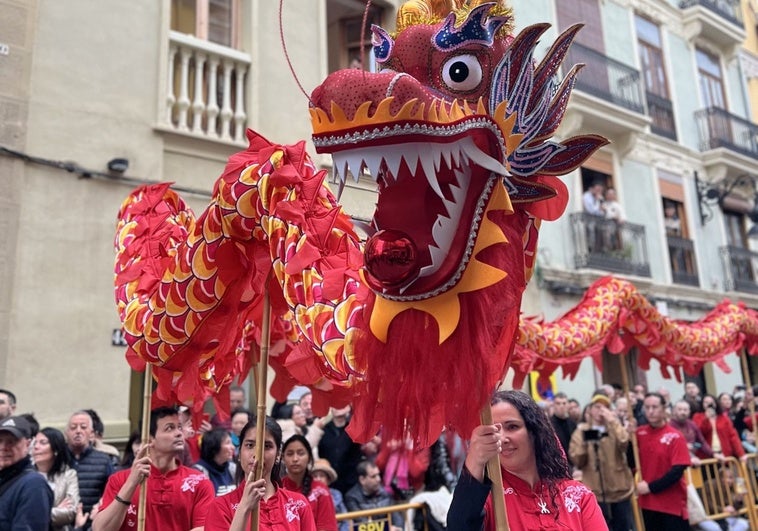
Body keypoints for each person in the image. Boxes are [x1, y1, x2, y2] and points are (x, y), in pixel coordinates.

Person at [447, 390, 607, 530]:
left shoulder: (579, 496)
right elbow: (460, 526)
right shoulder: (489, 499)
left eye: (512, 427)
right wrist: (475, 460)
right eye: (494, 431)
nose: (501, 438)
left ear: (535, 432)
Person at [93, 406, 214, 531]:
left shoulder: (199, 482)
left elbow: (203, 528)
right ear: (149, 438)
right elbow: (101, 529)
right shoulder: (120, 480)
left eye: (179, 427)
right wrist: (131, 483)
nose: (179, 433)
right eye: (170, 428)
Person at [204, 415, 317, 531]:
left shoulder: (299, 504)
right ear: (239, 453)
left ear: (278, 455)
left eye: (267, 446)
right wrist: (244, 508)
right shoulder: (221, 507)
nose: (257, 454)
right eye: (249, 445)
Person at [569, 393, 634, 531]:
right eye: (597, 407)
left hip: (619, 489)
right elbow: (577, 459)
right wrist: (586, 441)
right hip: (595, 491)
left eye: (605, 407)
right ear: (590, 410)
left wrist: (614, 422)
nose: (601, 410)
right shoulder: (582, 430)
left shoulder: (615, 428)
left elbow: (624, 443)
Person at [636, 392, 690, 530]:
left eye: (655, 407)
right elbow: (632, 460)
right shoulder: (639, 433)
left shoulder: (675, 436)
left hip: (671, 503)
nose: (650, 411)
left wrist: (651, 487)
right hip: (648, 503)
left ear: (664, 408)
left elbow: (677, 471)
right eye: (647, 407)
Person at [0, 415, 53, 529]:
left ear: (28, 444)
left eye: (11, 442)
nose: (3, 447)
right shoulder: (5, 478)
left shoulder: (33, 485)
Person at [65, 410, 113, 529]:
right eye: (73, 427)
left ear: (92, 434)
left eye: (83, 427)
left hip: (93, 524)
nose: (78, 431)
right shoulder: (58, 459)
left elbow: (112, 492)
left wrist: (101, 508)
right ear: (66, 433)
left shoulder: (104, 460)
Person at [282, 435, 338, 531]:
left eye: (301, 453)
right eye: (290, 454)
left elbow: (327, 527)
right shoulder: (276, 488)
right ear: (283, 458)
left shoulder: (321, 491)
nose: (295, 459)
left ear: (309, 457)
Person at [34, 427, 80, 531]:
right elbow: (22, 513)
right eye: (35, 442)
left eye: (43, 443)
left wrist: (38, 514)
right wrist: (56, 510)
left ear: (55, 449)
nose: (36, 447)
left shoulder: (68, 475)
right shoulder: (26, 475)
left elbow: (70, 512)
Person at [344, 461, 404, 531]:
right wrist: (386, 529)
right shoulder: (352, 497)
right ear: (362, 480)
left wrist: (398, 529)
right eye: (373, 476)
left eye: (378, 475)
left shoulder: (386, 493)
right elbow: (362, 523)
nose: (378, 479)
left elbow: (396, 517)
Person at [318, 405, 365, 494]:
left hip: (351, 481)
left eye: (343, 404)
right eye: (335, 404)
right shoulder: (323, 429)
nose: (339, 406)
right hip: (330, 480)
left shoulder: (355, 428)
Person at [192, 427, 237, 495]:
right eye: (228, 443)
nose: (233, 447)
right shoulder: (198, 472)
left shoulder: (232, 468)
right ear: (214, 446)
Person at [312, 458, 350, 531]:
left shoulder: (337, 494)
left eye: (322, 476)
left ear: (328, 480)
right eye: (315, 476)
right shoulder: (307, 495)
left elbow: (345, 518)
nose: (318, 479)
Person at [549, 392, 576, 458]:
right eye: (558, 403)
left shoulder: (572, 424)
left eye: (564, 403)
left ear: (568, 405)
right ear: (553, 405)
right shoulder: (548, 425)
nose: (561, 406)